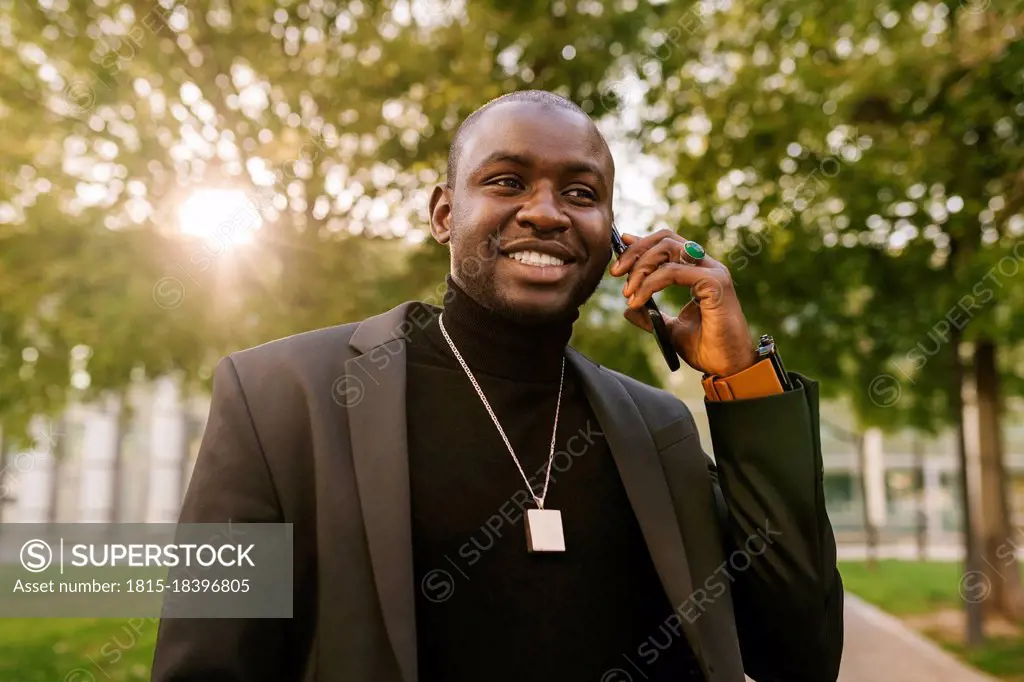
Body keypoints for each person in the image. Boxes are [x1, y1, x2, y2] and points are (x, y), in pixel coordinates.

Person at [151, 89, 844, 682]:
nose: (546, 212)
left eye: (581, 193)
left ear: (613, 239)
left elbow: (799, 653)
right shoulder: (279, 397)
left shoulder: (656, 428)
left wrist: (741, 378)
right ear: (445, 214)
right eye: (508, 181)